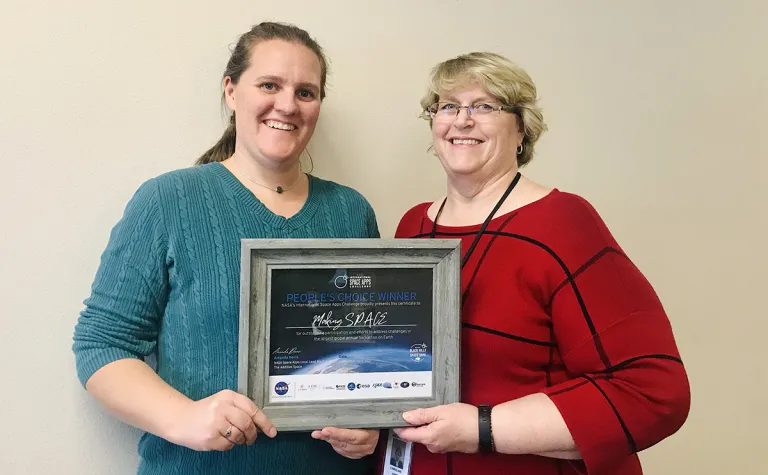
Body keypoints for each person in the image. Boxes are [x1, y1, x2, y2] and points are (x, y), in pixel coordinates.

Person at [72, 22, 380, 475]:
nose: (287, 105)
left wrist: (372, 424)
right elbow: (101, 344)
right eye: (269, 85)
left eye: (306, 92)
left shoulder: (351, 211)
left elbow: (370, 348)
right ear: (232, 91)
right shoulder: (169, 200)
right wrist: (184, 418)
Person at [388, 52, 691, 475]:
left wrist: (482, 428)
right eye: (448, 106)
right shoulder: (413, 225)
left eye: (485, 106)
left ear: (521, 130)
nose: (462, 120)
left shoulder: (563, 223)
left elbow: (651, 390)